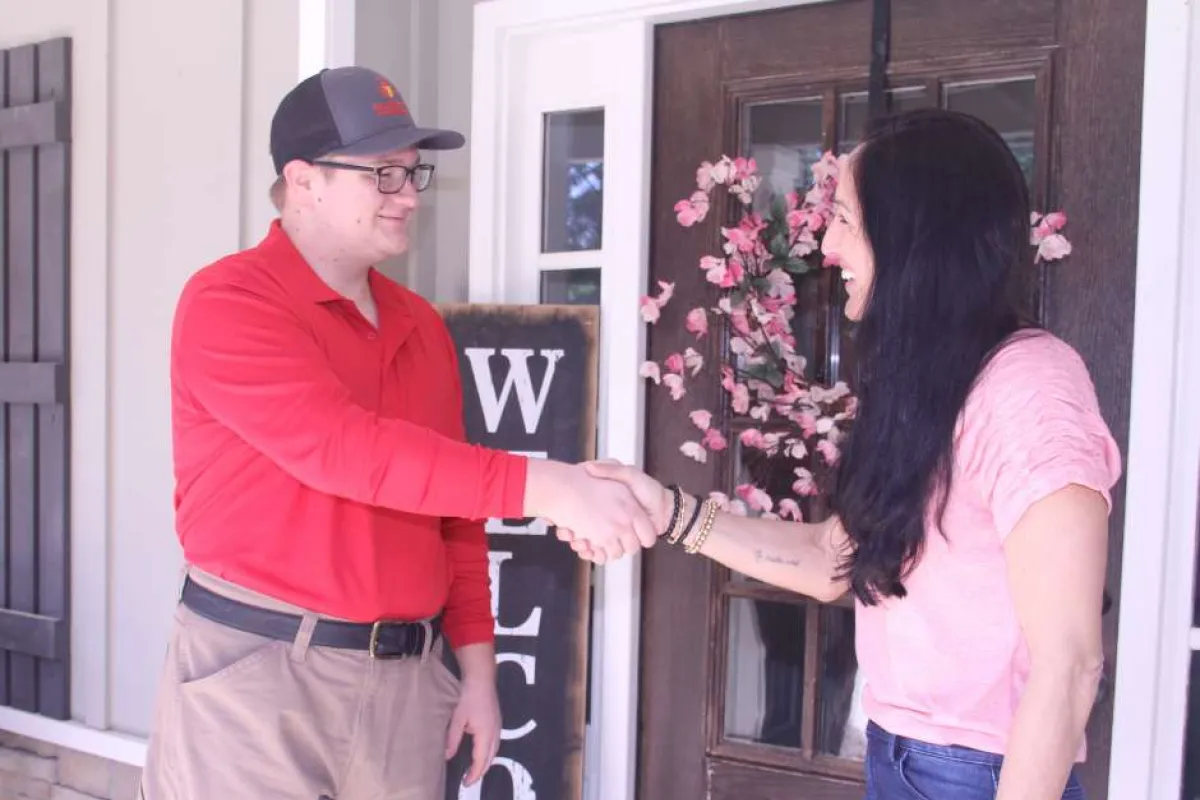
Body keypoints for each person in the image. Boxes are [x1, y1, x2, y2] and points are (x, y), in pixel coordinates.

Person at [139, 66, 656, 800]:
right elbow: (343, 451)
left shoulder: (421, 326)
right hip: (257, 678)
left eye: (414, 173)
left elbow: (453, 513)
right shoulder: (228, 301)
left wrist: (477, 675)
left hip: (410, 684)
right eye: (383, 175)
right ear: (303, 178)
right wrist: (550, 486)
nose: (410, 195)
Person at [580, 108, 1121, 800]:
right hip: (897, 758)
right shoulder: (929, 385)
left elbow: (1071, 662)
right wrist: (670, 512)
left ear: (912, 234)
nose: (827, 243)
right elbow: (830, 561)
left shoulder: (1029, 387)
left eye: (843, 216)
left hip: (980, 774)